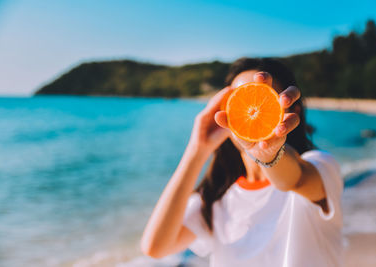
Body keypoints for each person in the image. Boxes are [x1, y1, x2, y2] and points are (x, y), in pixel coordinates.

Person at [140, 58, 343, 267]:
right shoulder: (217, 197)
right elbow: (155, 247)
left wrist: (268, 153)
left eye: (261, 98)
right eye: (239, 100)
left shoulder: (321, 165)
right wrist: (198, 149)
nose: (251, 108)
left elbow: (294, 180)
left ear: (291, 111)